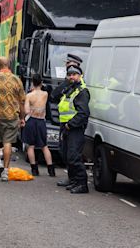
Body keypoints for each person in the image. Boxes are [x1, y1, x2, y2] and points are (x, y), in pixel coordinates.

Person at [0, 57, 25, 182]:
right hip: (12, 115)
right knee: (8, 142)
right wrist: (22, 117)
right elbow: (22, 100)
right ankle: (6, 172)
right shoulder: (16, 79)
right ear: (9, 65)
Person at [51, 64, 90, 194]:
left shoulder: (81, 91)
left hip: (74, 128)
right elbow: (54, 95)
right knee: (65, 154)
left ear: (80, 76)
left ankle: (81, 184)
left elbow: (83, 113)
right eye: (69, 74)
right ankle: (72, 180)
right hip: (65, 126)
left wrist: (70, 124)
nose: (71, 76)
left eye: (74, 74)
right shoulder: (70, 88)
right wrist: (66, 82)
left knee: (74, 156)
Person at [23, 74, 55, 176]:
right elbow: (46, 88)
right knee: (44, 146)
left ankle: (34, 169)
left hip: (31, 121)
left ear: (32, 82)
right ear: (41, 82)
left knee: (31, 146)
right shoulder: (45, 94)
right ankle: (51, 169)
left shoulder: (29, 96)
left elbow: (26, 110)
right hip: (41, 121)